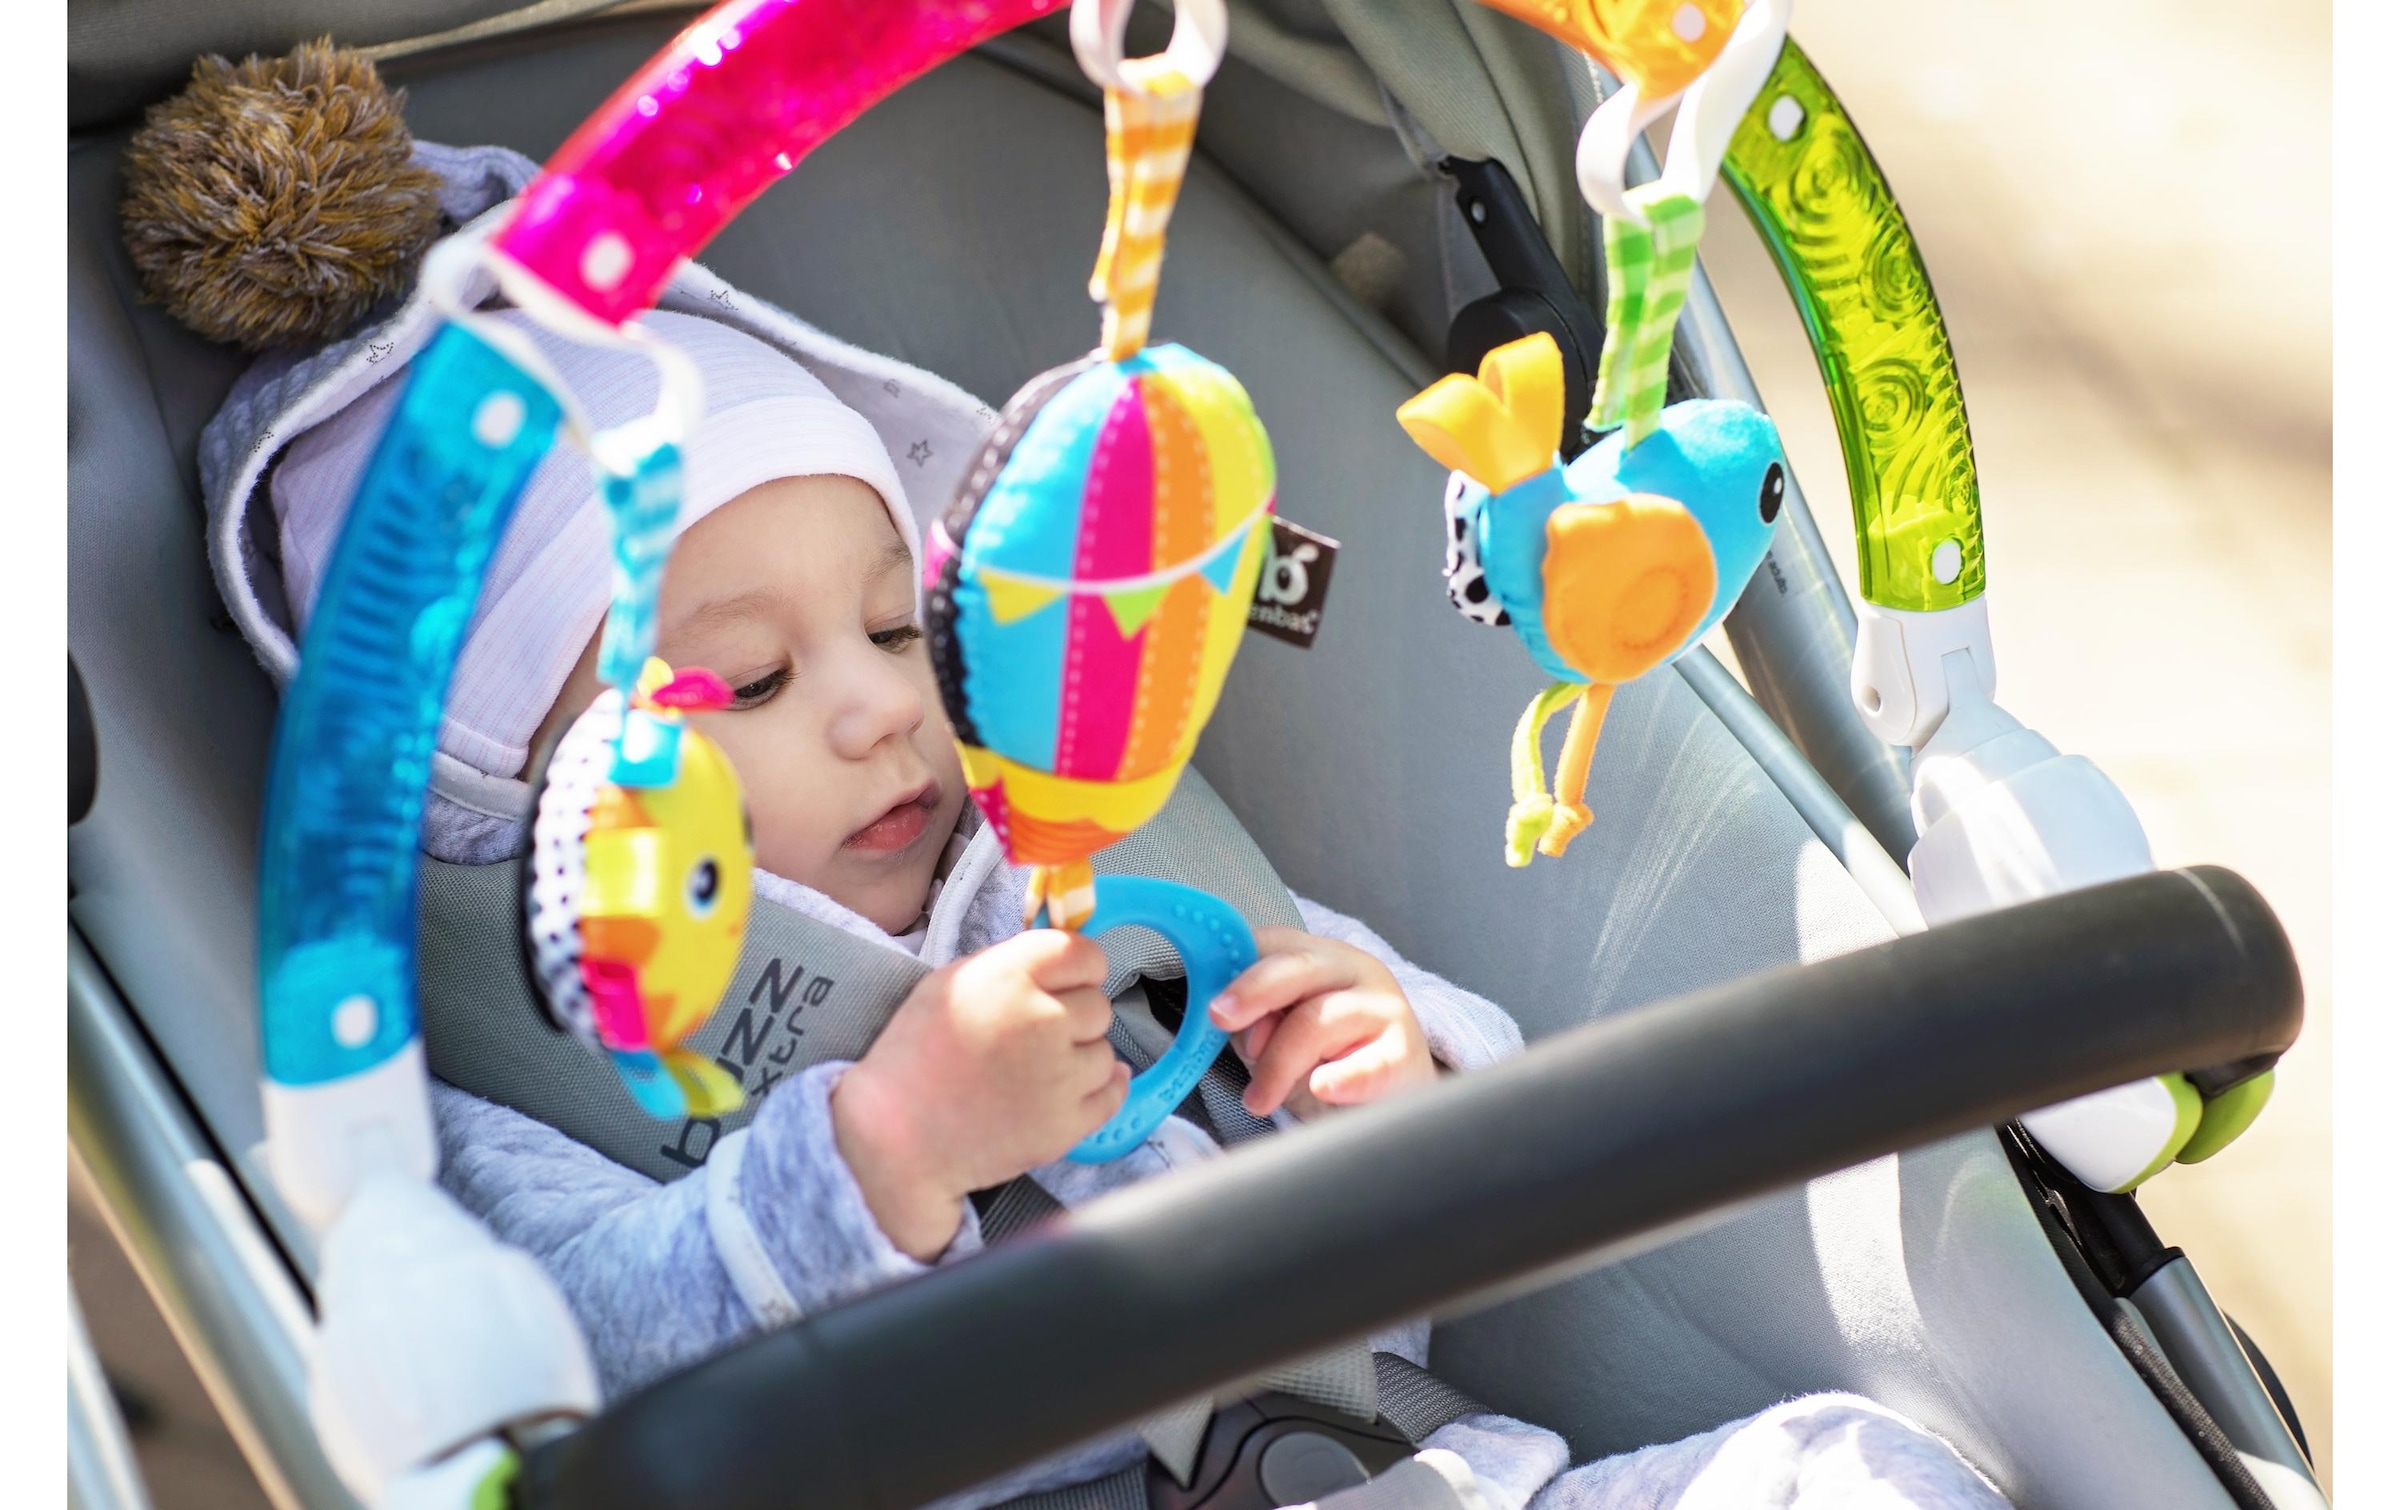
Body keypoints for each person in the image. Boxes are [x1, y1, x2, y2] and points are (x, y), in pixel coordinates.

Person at [190, 128, 2009, 1510]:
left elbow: (1431, 1191)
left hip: (1417, 1476)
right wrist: (883, 1152)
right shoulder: (510, 1102)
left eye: (899, 625)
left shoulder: (1090, 867)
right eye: (743, 682)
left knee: (1859, 1471)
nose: (882, 699)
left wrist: (1405, 1070)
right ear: (517, 794)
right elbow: (593, 1380)